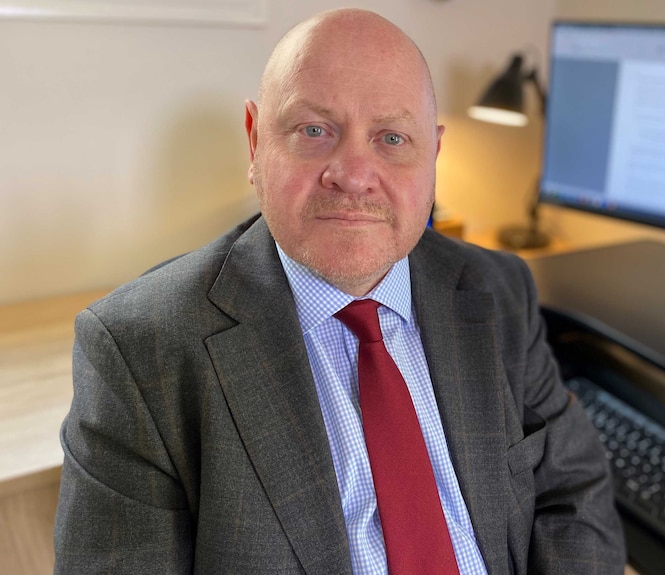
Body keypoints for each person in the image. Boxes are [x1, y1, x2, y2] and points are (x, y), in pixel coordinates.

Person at [53, 8, 625, 574]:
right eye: (314, 131)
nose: (353, 173)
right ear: (255, 142)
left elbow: (572, 489)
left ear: (434, 156)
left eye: (392, 137)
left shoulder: (499, 290)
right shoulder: (137, 350)